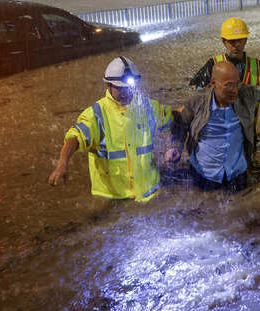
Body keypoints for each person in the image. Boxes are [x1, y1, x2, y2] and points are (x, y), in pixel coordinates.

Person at [168, 61, 260, 192]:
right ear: (213, 83)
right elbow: (180, 125)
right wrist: (175, 147)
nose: (234, 90)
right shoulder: (197, 101)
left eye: (236, 83)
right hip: (204, 175)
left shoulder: (246, 94)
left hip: (237, 175)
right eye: (228, 85)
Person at [48, 56, 176, 202]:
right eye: (120, 88)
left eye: (129, 87)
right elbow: (74, 138)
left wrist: (173, 146)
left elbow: (174, 118)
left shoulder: (148, 107)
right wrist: (62, 163)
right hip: (113, 199)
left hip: (150, 193)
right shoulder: (96, 115)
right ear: (107, 86)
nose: (126, 92)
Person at [190, 17, 260, 89]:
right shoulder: (213, 64)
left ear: (245, 41)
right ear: (224, 42)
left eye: (239, 40)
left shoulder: (258, 66)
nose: (236, 45)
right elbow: (195, 87)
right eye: (231, 41)